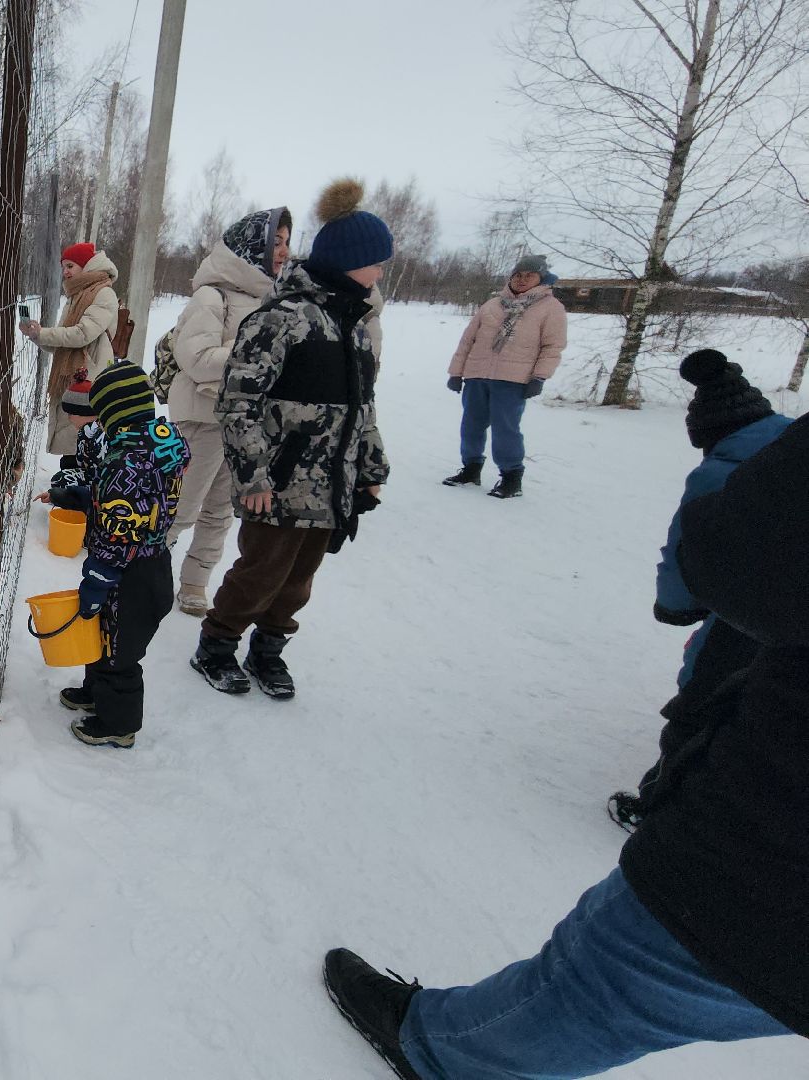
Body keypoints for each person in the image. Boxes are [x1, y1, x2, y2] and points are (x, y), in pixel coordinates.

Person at [324, 412, 809, 1080]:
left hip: (768, 868)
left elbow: (732, 558)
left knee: (609, 982)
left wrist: (752, 449)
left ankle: (437, 1045)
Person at [190, 179, 390, 700]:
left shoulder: (354, 327)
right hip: (278, 482)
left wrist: (370, 471)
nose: (381, 273)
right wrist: (253, 473)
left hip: (330, 485)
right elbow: (237, 401)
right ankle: (216, 644)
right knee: (260, 571)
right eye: (376, 262)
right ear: (349, 261)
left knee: (299, 580)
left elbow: (363, 409)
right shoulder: (283, 319)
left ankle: (268, 650)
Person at [607, 349, 791, 830]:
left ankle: (659, 803)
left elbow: (686, 550)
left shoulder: (723, 472)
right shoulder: (792, 440)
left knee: (701, 700)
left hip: (746, 612)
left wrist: (675, 606)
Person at [156, 206, 292, 616]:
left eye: (287, 242)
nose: (284, 251)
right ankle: (141, 572)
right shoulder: (211, 295)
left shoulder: (273, 299)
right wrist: (257, 354)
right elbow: (196, 358)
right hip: (201, 420)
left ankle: (195, 583)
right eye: (277, 242)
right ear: (254, 247)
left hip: (244, 427)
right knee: (179, 509)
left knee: (218, 513)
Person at [51, 361, 187, 749]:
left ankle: (117, 724)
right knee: (104, 636)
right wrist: (87, 498)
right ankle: (95, 692)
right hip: (153, 561)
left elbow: (117, 537)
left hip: (128, 574)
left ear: (113, 412)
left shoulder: (123, 462)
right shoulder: (164, 440)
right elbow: (146, 498)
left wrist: (95, 582)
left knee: (119, 652)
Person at [442, 255, 567, 499]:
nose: (522, 280)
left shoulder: (550, 308)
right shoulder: (492, 305)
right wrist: (456, 373)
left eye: (529, 275)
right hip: (477, 375)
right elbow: (468, 340)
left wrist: (539, 377)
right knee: (471, 425)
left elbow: (552, 346)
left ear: (541, 278)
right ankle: (470, 469)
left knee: (505, 429)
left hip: (513, 380)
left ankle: (511, 477)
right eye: (518, 275)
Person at [20, 242, 121, 456]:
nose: (65, 272)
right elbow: (62, 342)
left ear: (87, 265)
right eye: (63, 267)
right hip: (73, 376)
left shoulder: (104, 294)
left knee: (82, 438)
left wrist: (45, 333)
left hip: (89, 377)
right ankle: (70, 481)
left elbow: (82, 334)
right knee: (72, 440)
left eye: (70, 266)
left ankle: (77, 485)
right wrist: (36, 335)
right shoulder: (76, 296)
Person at [37, 377, 104, 499]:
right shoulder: (85, 432)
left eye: (71, 413)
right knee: (63, 475)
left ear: (85, 413)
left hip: (104, 489)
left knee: (63, 480)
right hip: (92, 480)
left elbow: (97, 475)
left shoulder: (99, 438)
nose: (68, 418)